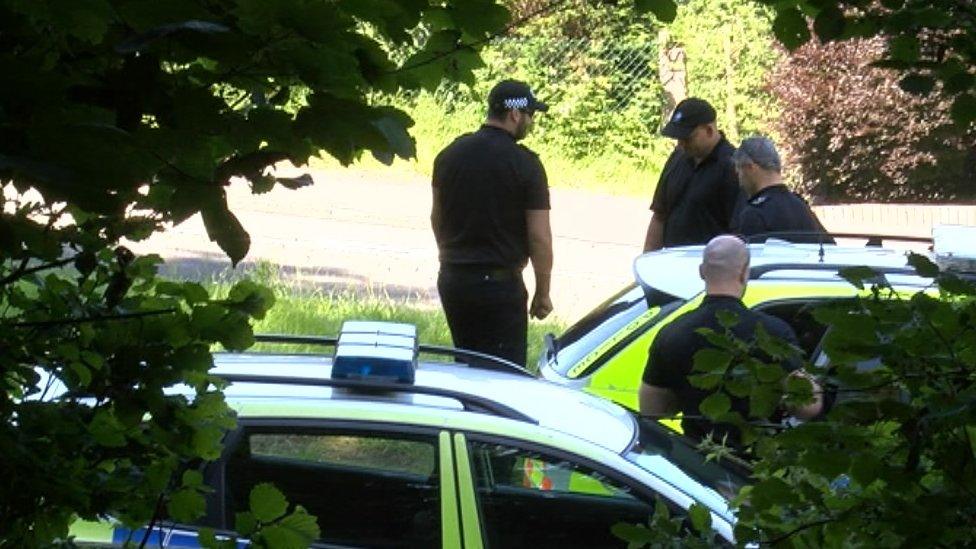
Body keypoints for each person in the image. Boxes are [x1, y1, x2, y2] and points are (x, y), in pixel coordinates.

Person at [639, 235, 822, 447]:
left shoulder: (673, 333)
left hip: (696, 465)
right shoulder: (773, 333)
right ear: (745, 273)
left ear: (701, 272)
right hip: (755, 464)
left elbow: (652, 410)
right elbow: (808, 407)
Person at [430, 79, 554, 367]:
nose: (531, 122)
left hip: (454, 281)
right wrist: (543, 291)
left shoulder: (449, 155)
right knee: (503, 375)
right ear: (515, 114)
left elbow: (437, 217)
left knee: (467, 364)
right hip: (499, 287)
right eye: (530, 115)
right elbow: (539, 237)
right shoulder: (527, 165)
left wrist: (452, 257)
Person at [642, 98, 741, 252]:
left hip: (710, 266)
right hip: (672, 259)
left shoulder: (733, 167)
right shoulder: (678, 158)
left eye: (687, 138)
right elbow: (660, 214)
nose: (681, 144)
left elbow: (738, 231)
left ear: (709, 130)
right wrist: (647, 259)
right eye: (679, 138)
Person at [732, 136, 830, 243]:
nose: (739, 179)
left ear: (750, 168)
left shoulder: (754, 215)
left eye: (739, 171)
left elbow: (752, 258)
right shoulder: (801, 207)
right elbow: (829, 249)